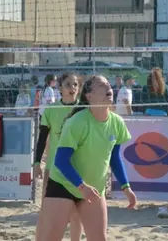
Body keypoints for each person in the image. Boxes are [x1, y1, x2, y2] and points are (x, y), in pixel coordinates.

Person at [36, 75, 137, 241]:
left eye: (108, 84)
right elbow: (60, 161)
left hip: (94, 188)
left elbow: (115, 159)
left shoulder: (117, 123)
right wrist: (82, 187)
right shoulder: (77, 122)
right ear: (89, 96)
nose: (108, 87)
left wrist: (126, 187)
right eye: (101, 85)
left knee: (99, 238)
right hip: (63, 184)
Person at [34, 73, 82, 241]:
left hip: (78, 168)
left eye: (75, 84)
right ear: (60, 88)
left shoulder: (83, 110)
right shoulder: (51, 109)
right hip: (53, 168)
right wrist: (36, 162)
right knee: (47, 211)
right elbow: (41, 139)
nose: (73, 88)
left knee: (76, 213)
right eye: (68, 84)